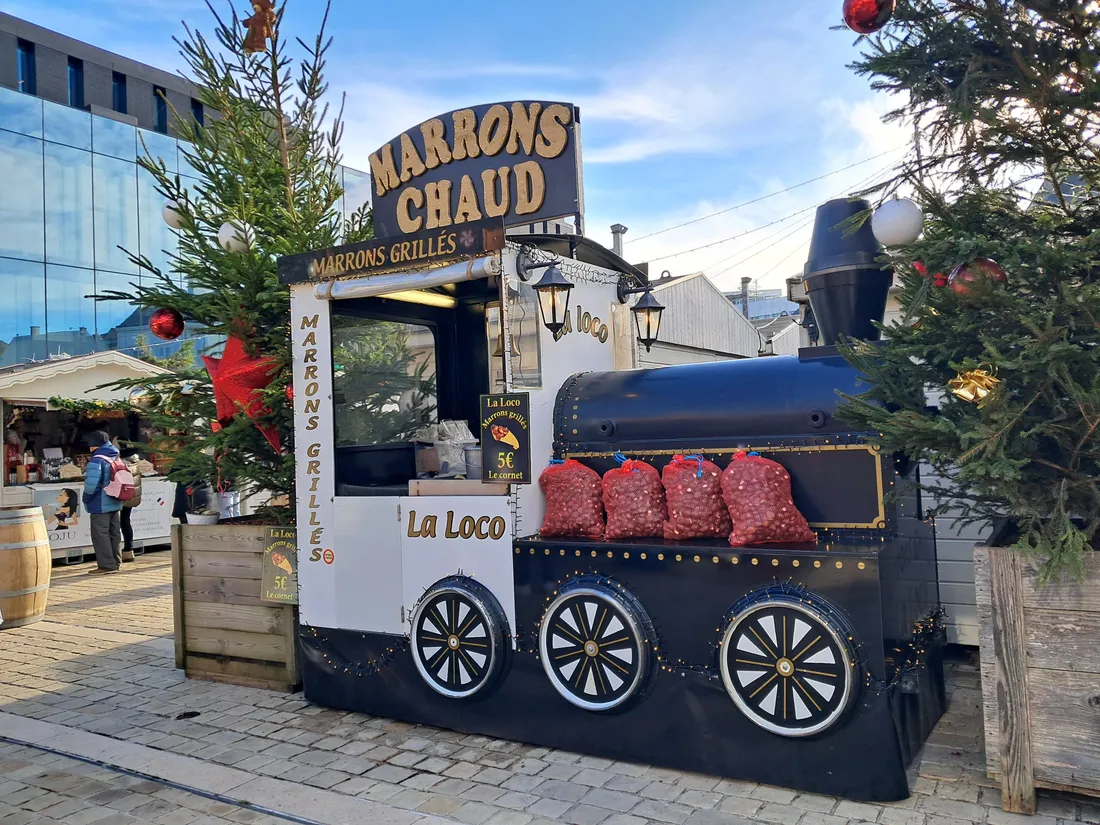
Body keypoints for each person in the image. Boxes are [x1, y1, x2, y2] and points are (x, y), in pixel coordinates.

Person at [82, 431, 123, 574]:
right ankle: (116, 562)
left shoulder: (96, 460)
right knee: (114, 532)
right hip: (115, 499)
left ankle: (106, 565)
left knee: (100, 534)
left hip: (100, 502)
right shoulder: (115, 456)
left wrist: (86, 498)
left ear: (94, 445)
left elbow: (91, 484)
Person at [119, 448, 144, 562]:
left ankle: (117, 551)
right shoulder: (135, 459)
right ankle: (128, 549)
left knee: (117, 522)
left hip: (121, 495)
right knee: (125, 521)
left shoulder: (120, 461)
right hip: (132, 494)